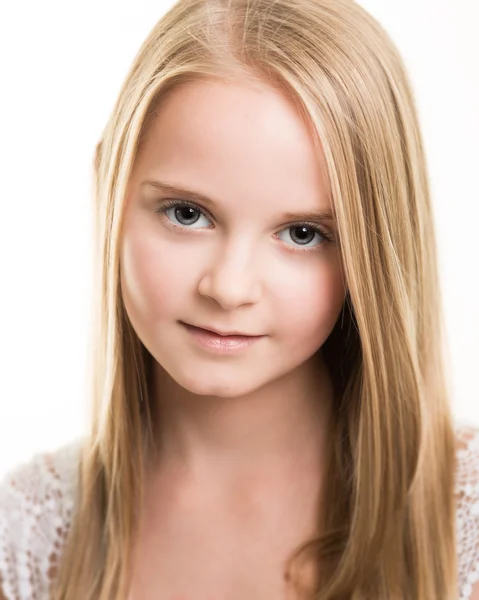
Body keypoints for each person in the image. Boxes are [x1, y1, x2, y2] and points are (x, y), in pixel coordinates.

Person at [0, 0, 478, 598]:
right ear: (109, 191)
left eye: (303, 234)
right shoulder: (28, 536)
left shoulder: (466, 521)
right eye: (187, 213)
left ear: (376, 251)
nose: (228, 288)